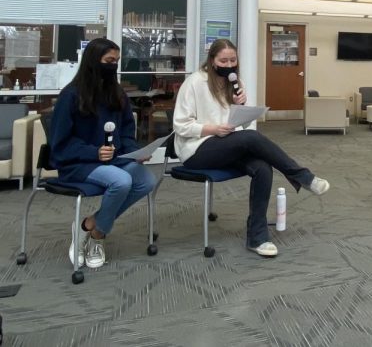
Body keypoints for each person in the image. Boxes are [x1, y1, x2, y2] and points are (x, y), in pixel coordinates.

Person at [172, 39, 329, 258]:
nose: (229, 64)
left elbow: (239, 124)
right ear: (212, 61)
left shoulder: (234, 83)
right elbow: (180, 125)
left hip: (225, 145)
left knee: (263, 167)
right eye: (223, 60)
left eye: (233, 60)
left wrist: (240, 106)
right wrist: (212, 129)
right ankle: (302, 176)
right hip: (196, 149)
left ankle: (257, 237)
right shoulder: (195, 82)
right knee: (252, 138)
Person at [49, 38, 156, 269]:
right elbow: (60, 143)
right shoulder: (71, 95)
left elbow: (127, 131)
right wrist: (94, 152)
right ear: (93, 61)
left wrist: (135, 152)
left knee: (146, 179)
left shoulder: (117, 94)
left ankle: (89, 226)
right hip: (77, 163)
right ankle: (99, 237)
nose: (113, 66)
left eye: (116, 61)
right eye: (109, 61)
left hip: (112, 161)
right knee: (122, 181)